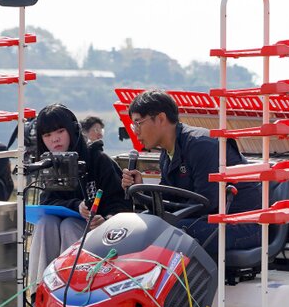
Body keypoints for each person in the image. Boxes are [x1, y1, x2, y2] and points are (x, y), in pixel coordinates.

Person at [119, 90, 260, 250]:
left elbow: (206, 203)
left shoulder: (201, 145)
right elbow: (168, 203)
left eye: (138, 123)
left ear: (161, 118)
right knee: (137, 226)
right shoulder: (167, 154)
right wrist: (142, 191)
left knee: (171, 231)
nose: (135, 131)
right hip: (206, 221)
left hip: (242, 225)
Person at [28, 104, 132, 271]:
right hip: (61, 231)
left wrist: (106, 219)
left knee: (69, 224)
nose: (55, 139)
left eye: (60, 131)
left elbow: (122, 203)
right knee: (46, 222)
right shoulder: (49, 165)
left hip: (101, 236)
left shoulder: (98, 160)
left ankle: (74, 286)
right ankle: (39, 290)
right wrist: (76, 205)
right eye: (47, 135)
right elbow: (48, 202)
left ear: (73, 130)